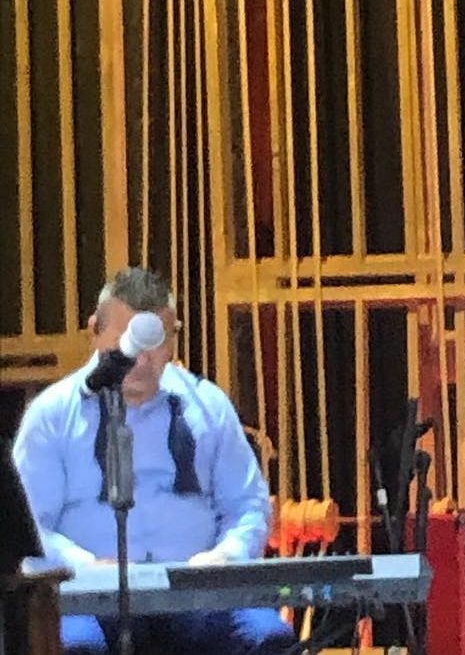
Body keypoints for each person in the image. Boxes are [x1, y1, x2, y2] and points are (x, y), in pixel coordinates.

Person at [12, 267, 294, 655]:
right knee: (75, 646)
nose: (141, 360)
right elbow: (28, 528)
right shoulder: (53, 414)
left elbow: (247, 505)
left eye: (154, 343)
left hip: (197, 597)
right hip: (87, 596)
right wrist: (85, 565)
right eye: (128, 342)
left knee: (265, 637)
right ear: (95, 331)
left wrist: (226, 555)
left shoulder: (208, 405)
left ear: (173, 339)